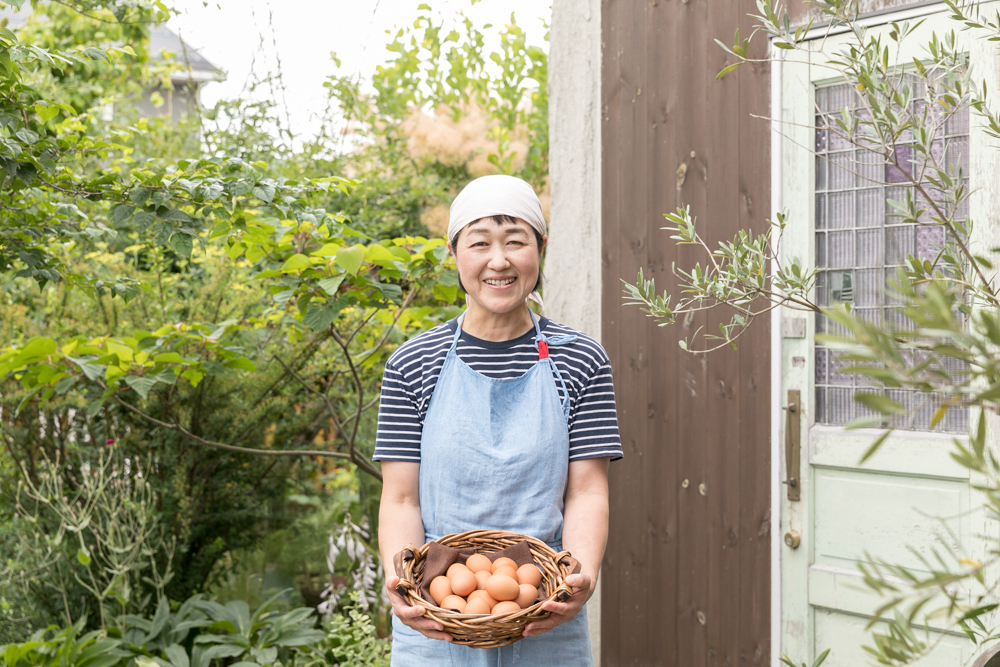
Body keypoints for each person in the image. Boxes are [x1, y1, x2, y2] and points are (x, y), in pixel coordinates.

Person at [374, 174, 623, 665]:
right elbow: (401, 495)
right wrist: (402, 578)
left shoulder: (581, 360)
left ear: (540, 248)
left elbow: (588, 490)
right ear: (454, 253)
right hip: (435, 615)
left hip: (544, 607)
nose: (499, 260)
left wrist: (581, 575)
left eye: (516, 242)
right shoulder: (413, 363)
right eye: (480, 243)